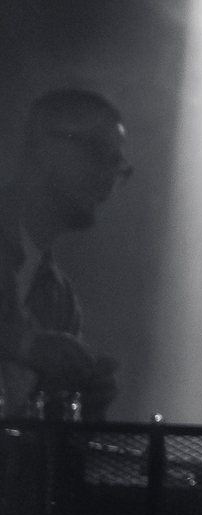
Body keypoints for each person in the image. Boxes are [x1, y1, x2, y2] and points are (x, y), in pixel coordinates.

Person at [0, 89, 127, 420]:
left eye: (117, 164)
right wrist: (25, 346)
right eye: (97, 150)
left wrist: (82, 398)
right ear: (42, 146)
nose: (108, 176)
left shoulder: (60, 299)